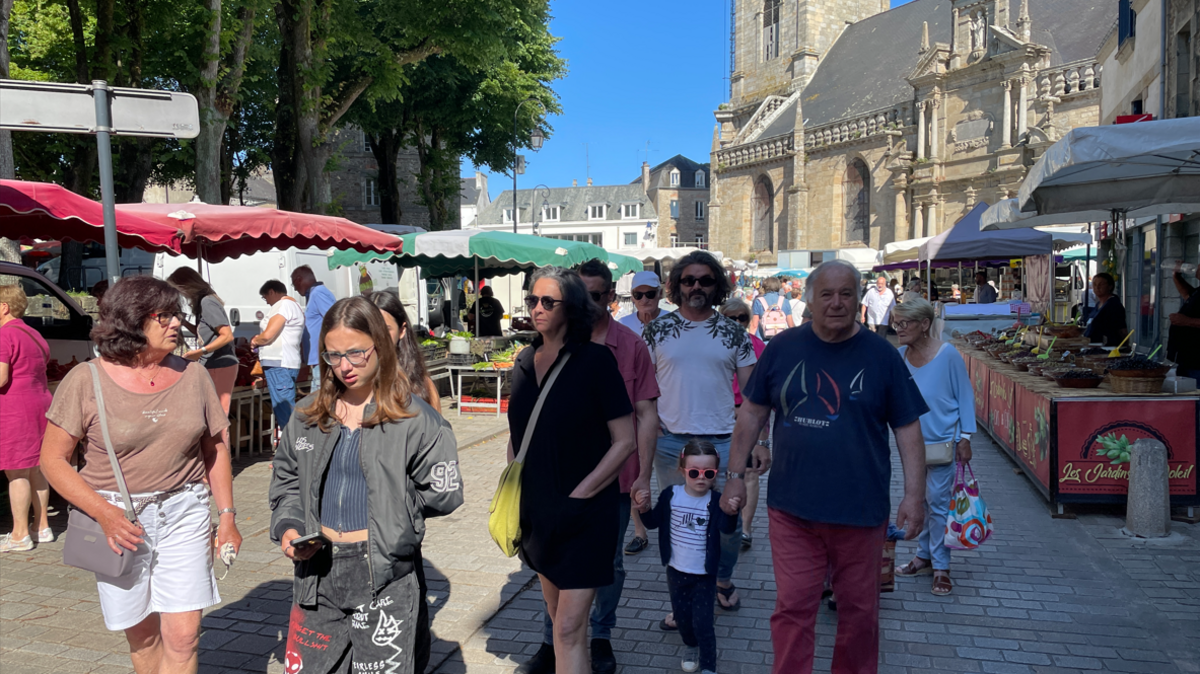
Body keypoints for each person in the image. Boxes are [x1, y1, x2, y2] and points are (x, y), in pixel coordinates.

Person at [723, 259, 928, 674]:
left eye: (846, 294)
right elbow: (751, 413)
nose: (836, 303)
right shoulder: (783, 348)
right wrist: (734, 478)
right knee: (794, 608)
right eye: (827, 295)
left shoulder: (882, 355)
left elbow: (908, 428)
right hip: (792, 509)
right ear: (809, 301)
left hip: (860, 511)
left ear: (859, 300)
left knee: (858, 613)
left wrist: (914, 494)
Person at [40, 276, 241, 673]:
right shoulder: (86, 380)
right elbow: (53, 460)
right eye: (164, 316)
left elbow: (214, 447)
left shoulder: (193, 375)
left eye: (177, 316)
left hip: (185, 511)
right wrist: (103, 513)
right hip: (118, 521)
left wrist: (228, 517)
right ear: (131, 321)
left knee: (183, 636)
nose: (176, 325)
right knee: (143, 635)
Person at [270, 297, 463, 674]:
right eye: (333, 355)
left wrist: (396, 522)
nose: (345, 367)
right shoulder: (307, 415)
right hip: (317, 572)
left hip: (384, 576)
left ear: (381, 344)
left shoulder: (415, 419)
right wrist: (290, 527)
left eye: (356, 353)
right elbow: (286, 478)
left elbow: (444, 491)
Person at [519, 260, 660, 674]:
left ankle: (601, 639)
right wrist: (514, 484)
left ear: (572, 307)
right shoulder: (525, 361)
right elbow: (518, 435)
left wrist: (582, 494)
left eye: (549, 301)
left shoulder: (597, 361)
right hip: (539, 510)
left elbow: (625, 440)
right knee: (559, 623)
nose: (537, 308)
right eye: (533, 299)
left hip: (586, 511)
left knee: (567, 627)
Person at [642, 250, 758, 617]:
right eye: (688, 280)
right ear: (676, 286)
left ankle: (722, 578)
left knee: (728, 524)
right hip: (671, 444)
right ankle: (684, 598)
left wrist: (763, 442)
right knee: (679, 525)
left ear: (717, 286)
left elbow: (754, 398)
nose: (696, 286)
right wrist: (647, 423)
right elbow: (641, 387)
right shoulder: (657, 330)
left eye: (705, 280)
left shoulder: (732, 332)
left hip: (724, 443)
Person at [892, 299, 975, 596]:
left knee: (938, 505)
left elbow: (965, 395)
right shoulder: (899, 357)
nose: (898, 329)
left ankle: (941, 565)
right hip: (911, 448)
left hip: (943, 443)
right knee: (921, 503)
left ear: (924, 324)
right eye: (896, 323)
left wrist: (965, 437)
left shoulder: (947, 354)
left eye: (905, 323)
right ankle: (923, 557)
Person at [639, 441, 740, 674]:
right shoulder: (670, 496)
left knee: (703, 623)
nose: (700, 478)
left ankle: (708, 666)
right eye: (694, 472)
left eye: (708, 473)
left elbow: (725, 528)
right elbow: (652, 523)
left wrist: (732, 513)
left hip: (705, 576)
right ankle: (690, 645)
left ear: (715, 474)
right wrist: (643, 508)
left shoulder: (716, 501)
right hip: (676, 572)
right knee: (683, 620)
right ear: (683, 470)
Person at [0, 285, 54, 552]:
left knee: (17, 471)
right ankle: (42, 526)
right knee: (37, 467)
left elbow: (1, 377)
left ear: (4, 307)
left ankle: (20, 534)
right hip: (41, 403)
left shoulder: (3, 335)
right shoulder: (34, 334)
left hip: (15, 408)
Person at [718, 299, 768, 550]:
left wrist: (763, 437)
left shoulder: (758, 346)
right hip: (718, 417)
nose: (737, 322)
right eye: (730, 318)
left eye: (742, 318)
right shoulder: (712, 345)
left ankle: (746, 530)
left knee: (749, 473)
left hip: (748, 416)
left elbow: (765, 393)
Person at [167, 268, 238, 416]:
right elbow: (205, 333)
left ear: (186, 286)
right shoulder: (203, 302)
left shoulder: (207, 303)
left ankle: (221, 440)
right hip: (214, 363)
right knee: (211, 413)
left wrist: (200, 352)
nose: (181, 295)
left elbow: (227, 336)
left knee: (217, 414)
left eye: (179, 290)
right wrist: (184, 323)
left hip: (220, 363)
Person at [367, 290, 441, 412]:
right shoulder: (355, 383)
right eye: (369, 329)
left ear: (402, 330)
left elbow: (437, 427)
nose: (377, 337)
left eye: (386, 329)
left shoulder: (422, 385)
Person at [252, 280, 305, 429]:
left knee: (284, 409)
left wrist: (256, 341)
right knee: (286, 406)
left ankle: (294, 446)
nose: (267, 302)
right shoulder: (294, 305)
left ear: (272, 292)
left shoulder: (282, 305)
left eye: (265, 297)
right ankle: (293, 443)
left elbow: (268, 335)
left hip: (279, 362)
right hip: (287, 362)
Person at [291, 265, 337, 393]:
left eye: (294, 283)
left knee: (318, 401)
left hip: (322, 358)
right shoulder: (313, 294)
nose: (294, 288)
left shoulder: (318, 293)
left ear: (299, 279)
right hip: (319, 359)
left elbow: (334, 320)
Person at [1167, 261, 1200, 380]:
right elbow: (1187, 294)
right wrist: (1176, 275)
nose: (1198, 267)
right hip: (1187, 359)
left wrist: (1186, 321)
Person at [1084, 273, 1127, 347]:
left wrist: (1125, 347)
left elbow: (1122, 329)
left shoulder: (1114, 305)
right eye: (1094, 284)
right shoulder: (1098, 304)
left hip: (1108, 348)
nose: (1097, 287)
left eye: (1101, 284)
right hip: (1092, 347)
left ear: (1110, 286)